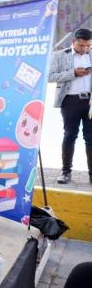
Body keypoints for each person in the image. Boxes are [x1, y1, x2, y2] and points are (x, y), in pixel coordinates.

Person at [48, 28, 92, 184]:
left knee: (90, 138)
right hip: (70, 102)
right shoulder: (60, 55)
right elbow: (50, 76)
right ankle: (66, 172)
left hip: (90, 102)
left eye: (88, 46)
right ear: (73, 42)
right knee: (69, 136)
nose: (85, 49)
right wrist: (73, 73)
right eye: (81, 45)